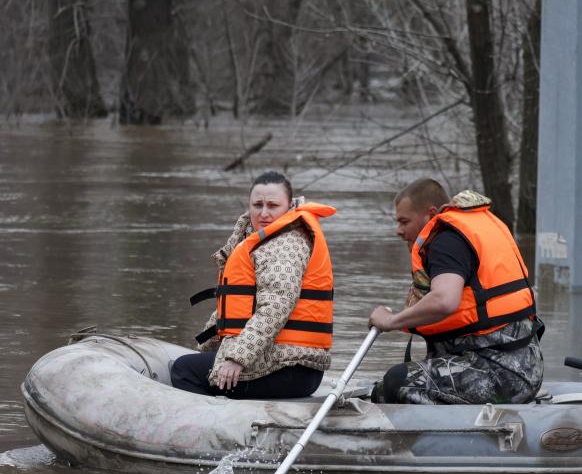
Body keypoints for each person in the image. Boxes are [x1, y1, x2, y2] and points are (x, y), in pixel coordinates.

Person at [368, 178, 544, 405]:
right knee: (388, 386)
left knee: (396, 381)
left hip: (502, 373)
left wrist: (390, 321)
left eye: (404, 221)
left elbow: (444, 301)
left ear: (430, 215)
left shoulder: (446, 242)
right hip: (524, 366)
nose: (398, 230)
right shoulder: (473, 229)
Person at [171, 171, 335, 399]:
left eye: (272, 205)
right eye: (257, 205)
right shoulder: (264, 240)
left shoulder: (286, 246)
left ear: (289, 207)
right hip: (278, 359)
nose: (264, 213)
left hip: (291, 367)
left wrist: (237, 358)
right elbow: (241, 305)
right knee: (194, 362)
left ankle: (216, 429)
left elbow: (275, 309)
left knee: (184, 370)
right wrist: (209, 346)